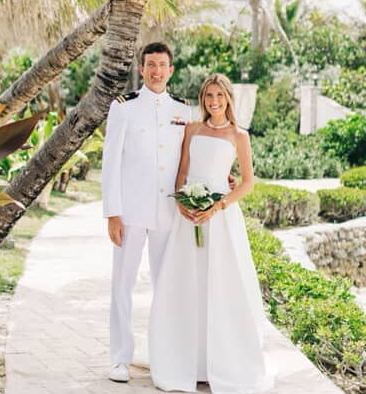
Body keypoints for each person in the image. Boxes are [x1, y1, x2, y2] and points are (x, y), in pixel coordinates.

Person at [149, 73, 275, 393]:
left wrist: (218, 206)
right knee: (187, 283)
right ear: (203, 99)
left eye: (220, 96)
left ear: (228, 99)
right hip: (188, 216)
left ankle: (221, 361)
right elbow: (182, 172)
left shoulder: (239, 136)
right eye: (209, 96)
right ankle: (188, 362)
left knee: (221, 285)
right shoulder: (192, 129)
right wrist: (182, 203)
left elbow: (248, 182)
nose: (214, 102)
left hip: (221, 219)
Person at [101, 42, 192, 383]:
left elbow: (190, 157)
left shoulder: (184, 111)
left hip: (169, 214)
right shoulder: (124, 108)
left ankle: (164, 355)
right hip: (131, 212)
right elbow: (110, 163)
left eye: (162, 65)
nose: (156, 71)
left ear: (171, 70)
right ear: (141, 69)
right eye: (150, 64)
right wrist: (113, 213)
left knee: (165, 286)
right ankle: (119, 358)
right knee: (122, 285)